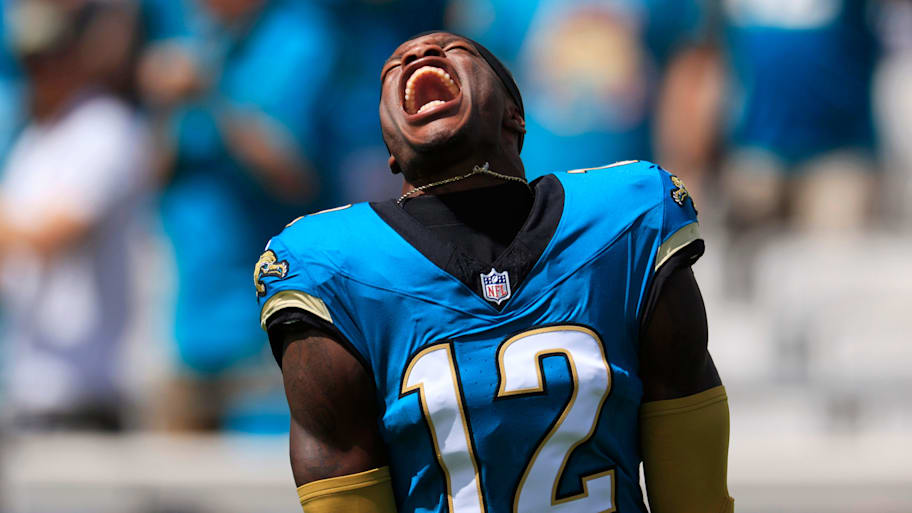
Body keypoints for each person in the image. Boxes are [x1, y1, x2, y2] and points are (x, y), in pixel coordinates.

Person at [256, 32, 734, 512]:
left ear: (514, 114)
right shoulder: (329, 264)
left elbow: (694, 491)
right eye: (393, 67)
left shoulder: (626, 217)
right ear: (391, 148)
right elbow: (341, 468)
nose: (417, 54)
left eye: (455, 49)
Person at [0, 0, 149, 430]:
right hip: (30, 383)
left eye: (52, 58)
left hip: (90, 390)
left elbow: (55, 233)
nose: (42, 72)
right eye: (31, 62)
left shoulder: (106, 128)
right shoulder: (33, 139)